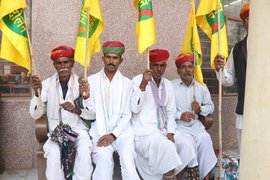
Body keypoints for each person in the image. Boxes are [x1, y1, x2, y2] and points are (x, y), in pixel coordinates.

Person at [29, 45, 93, 180]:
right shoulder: (45, 84)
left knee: (85, 149)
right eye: (59, 63)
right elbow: (36, 114)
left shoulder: (82, 83)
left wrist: (76, 109)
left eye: (66, 62)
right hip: (55, 132)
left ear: (72, 63)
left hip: (78, 130)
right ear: (54, 65)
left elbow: (92, 114)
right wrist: (37, 93)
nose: (63, 66)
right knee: (52, 152)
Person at [80, 41, 140, 180]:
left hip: (122, 132)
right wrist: (87, 96)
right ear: (103, 58)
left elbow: (127, 115)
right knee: (103, 161)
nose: (111, 61)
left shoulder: (128, 83)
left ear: (121, 60)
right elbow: (91, 113)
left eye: (115, 58)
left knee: (127, 159)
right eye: (108, 57)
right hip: (99, 131)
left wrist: (113, 135)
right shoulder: (91, 81)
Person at [130, 49, 182, 180]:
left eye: (162, 65)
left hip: (163, 130)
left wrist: (170, 132)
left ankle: (175, 175)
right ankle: (170, 177)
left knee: (186, 144)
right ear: (149, 65)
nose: (158, 69)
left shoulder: (168, 84)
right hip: (144, 133)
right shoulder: (137, 81)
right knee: (167, 147)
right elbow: (134, 109)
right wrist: (143, 85)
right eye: (155, 65)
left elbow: (171, 112)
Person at [171, 53, 217, 180]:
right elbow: (164, 110)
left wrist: (200, 108)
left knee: (205, 140)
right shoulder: (170, 86)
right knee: (188, 143)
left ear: (193, 69)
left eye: (190, 67)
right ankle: (190, 175)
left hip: (196, 127)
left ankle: (205, 177)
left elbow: (211, 106)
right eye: (183, 67)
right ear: (178, 70)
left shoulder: (201, 88)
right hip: (178, 127)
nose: (187, 70)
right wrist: (180, 115)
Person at [214, 2, 249, 151]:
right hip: (244, 111)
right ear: (244, 23)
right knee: (246, 153)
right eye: (248, 19)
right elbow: (228, 80)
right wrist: (219, 68)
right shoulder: (238, 48)